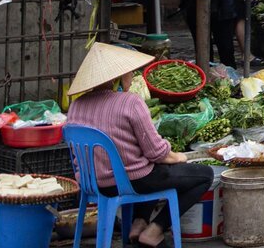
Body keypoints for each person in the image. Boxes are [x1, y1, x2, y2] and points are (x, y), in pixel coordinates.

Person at [65, 44, 214, 247]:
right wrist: (180, 157)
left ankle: (139, 222)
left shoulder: (76, 106)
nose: (133, 76)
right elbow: (157, 152)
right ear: (119, 76)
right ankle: (155, 230)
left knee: (156, 170)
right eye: (131, 73)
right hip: (131, 182)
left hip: (93, 183)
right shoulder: (130, 102)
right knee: (203, 176)